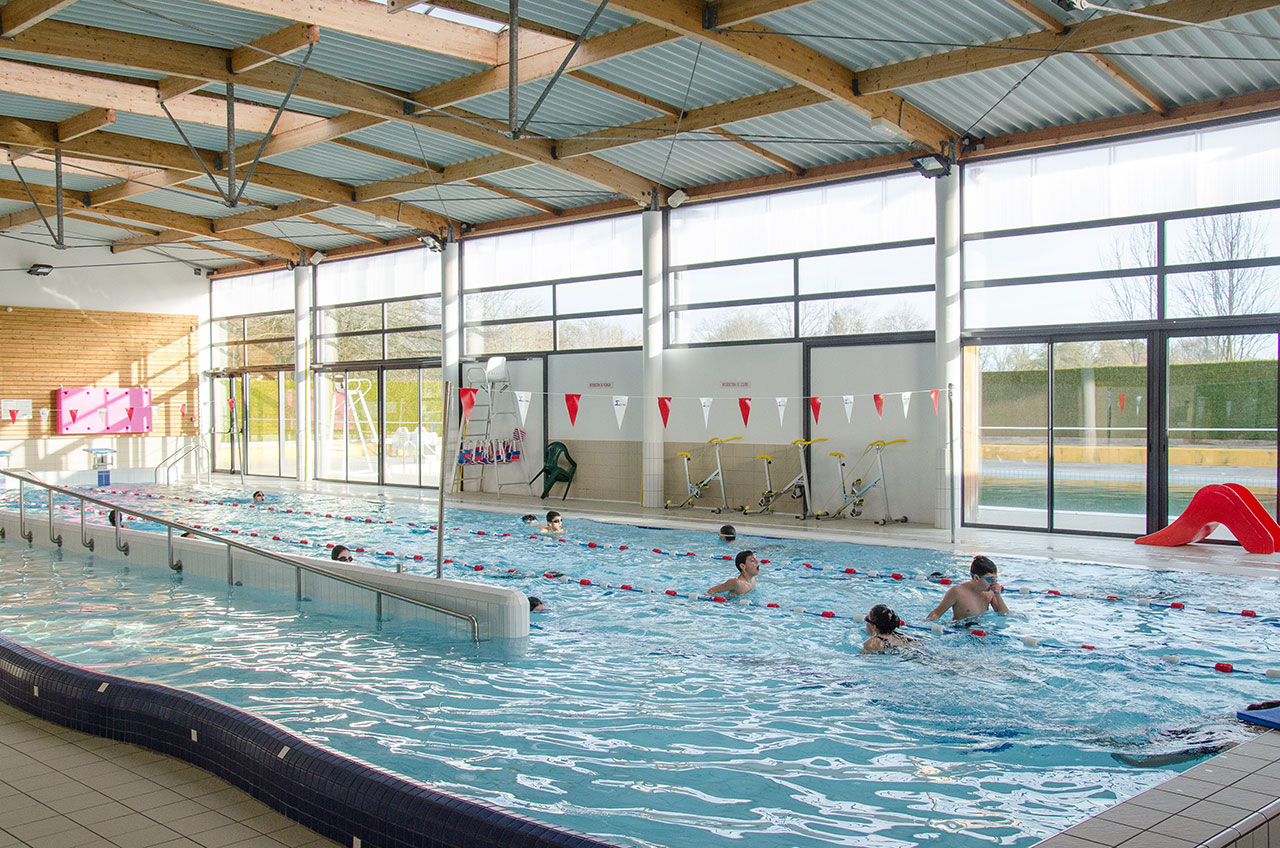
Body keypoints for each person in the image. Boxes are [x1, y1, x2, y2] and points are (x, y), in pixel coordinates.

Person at [926, 555, 1008, 622]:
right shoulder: (957, 592)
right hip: (960, 630)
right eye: (990, 579)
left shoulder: (990, 592)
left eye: (995, 579)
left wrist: (998, 595)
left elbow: (1004, 615)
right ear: (976, 578)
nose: (994, 583)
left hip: (980, 629)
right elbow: (936, 614)